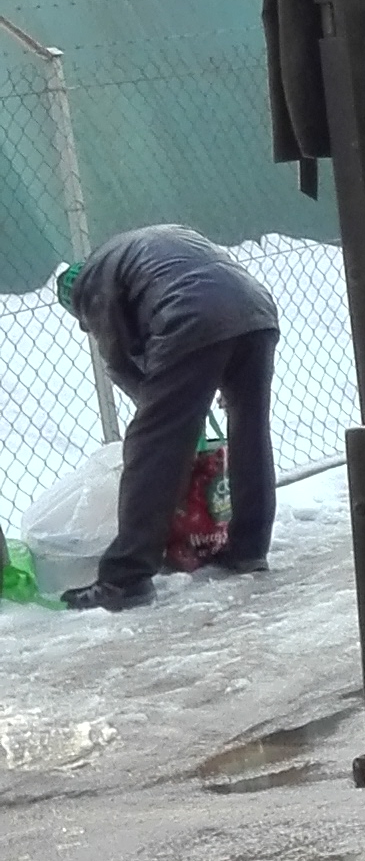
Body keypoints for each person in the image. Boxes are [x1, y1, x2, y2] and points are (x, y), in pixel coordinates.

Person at [55, 223, 280, 611]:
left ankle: (126, 578)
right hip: (255, 311)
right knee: (249, 427)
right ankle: (248, 548)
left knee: (151, 443)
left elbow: (120, 359)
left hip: (191, 314)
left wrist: (166, 410)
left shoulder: (92, 282)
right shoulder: (152, 243)